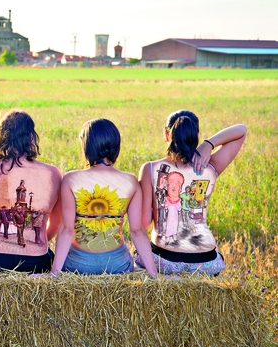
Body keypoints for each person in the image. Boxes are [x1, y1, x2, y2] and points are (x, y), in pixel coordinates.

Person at [135, 110, 246, 275]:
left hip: (166, 260)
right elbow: (241, 130)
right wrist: (209, 144)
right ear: (197, 135)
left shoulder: (150, 168)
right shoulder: (211, 166)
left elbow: (144, 222)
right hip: (205, 263)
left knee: (138, 257)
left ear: (167, 135)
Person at [49, 119, 158, 277]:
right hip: (117, 264)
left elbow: (66, 229)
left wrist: (53, 273)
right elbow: (137, 231)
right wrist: (154, 274)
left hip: (78, 264)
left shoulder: (71, 179)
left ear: (87, 147)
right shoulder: (131, 181)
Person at [0, 111, 63, 273]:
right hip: (35, 263)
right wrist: (35, 246)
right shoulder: (53, 174)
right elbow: (56, 224)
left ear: (1, 137)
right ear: (31, 137)